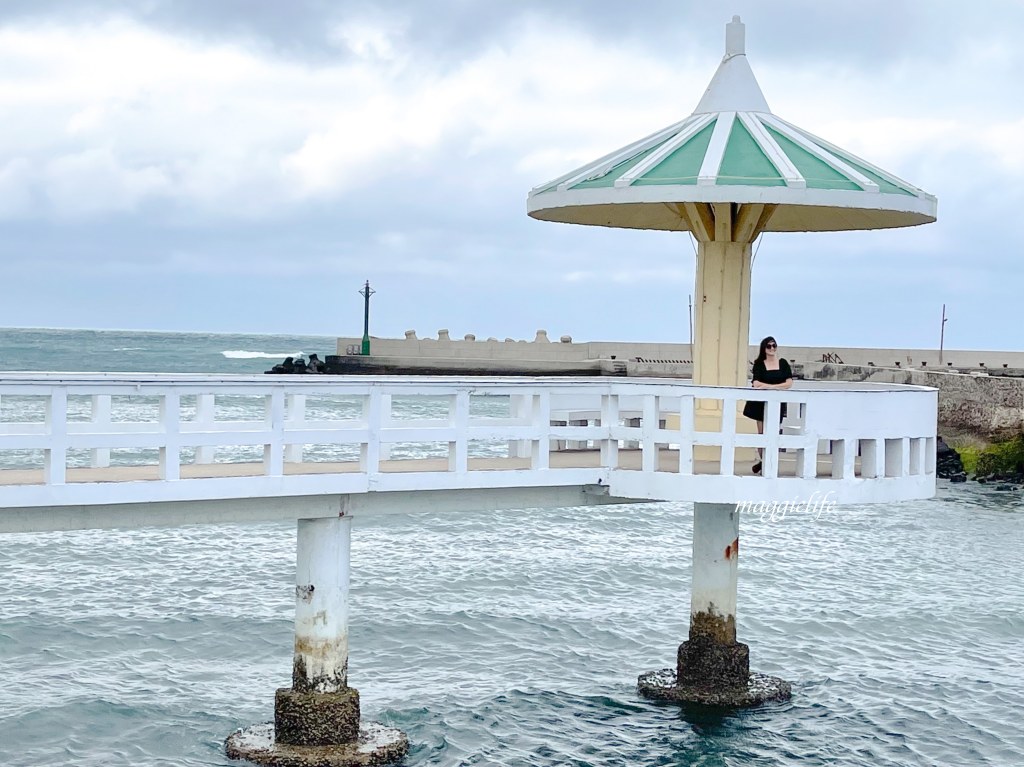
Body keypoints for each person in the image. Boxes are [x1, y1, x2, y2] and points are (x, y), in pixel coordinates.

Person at [742, 336, 793, 475]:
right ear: (764, 348)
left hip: (777, 404)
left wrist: (770, 387)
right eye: (769, 346)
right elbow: (756, 383)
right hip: (760, 405)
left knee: (774, 433)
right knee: (762, 434)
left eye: (774, 345)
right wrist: (774, 387)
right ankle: (765, 462)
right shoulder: (759, 364)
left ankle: (766, 463)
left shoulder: (783, 363)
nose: (772, 348)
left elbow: (789, 383)